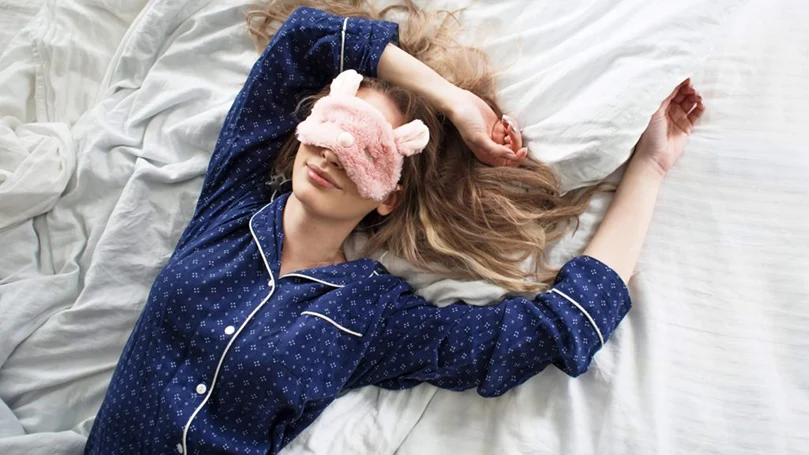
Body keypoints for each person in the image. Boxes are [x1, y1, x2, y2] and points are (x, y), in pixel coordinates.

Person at [83, 2, 705, 455]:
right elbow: (303, 40)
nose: (332, 155)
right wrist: (456, 102)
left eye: (365, 149)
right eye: (333, 128)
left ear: (388, 197)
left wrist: (649, 167)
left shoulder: (368, 317)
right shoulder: (230, 207)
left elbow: (548, 333)